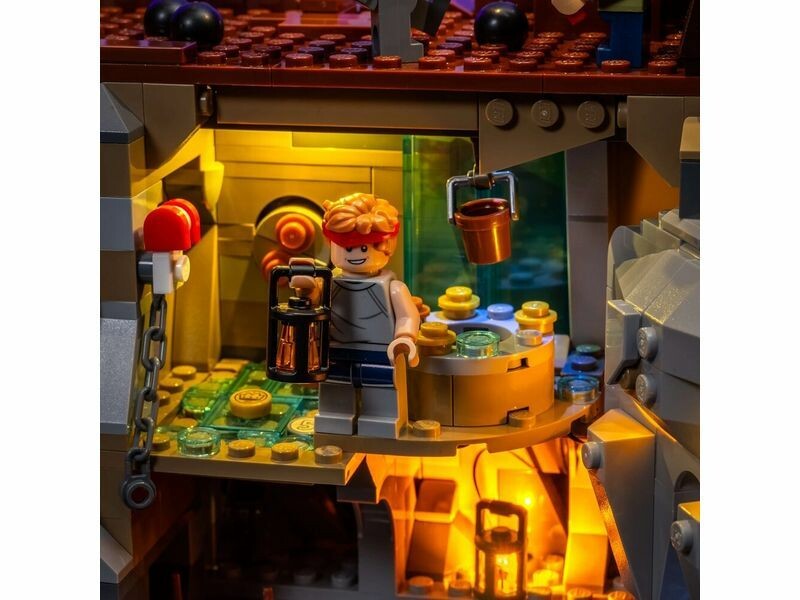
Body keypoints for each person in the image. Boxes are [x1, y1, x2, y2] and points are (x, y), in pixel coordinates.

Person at [292, 193, 419, 438]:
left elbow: (407, 316)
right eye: (348, 247)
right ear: (333, 245)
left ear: (387, 246)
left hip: (380, 353)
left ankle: (381, 420)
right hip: (336, 351)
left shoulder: (393, 288)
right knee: (335, 391)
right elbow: (312, 301)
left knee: (382, 390)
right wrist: (306, 288)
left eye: (363, 247)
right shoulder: (329, 283)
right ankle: (335, 418)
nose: (356, 254)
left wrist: (404, 338)